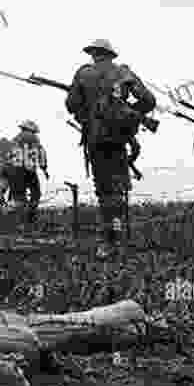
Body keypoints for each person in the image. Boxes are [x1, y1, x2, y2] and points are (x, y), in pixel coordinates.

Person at [65, 39, 157, 258]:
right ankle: (118, 235)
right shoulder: (123, 72)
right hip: (119, 137)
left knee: (105, 192)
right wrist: (128, 112)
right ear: (111, 54)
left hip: (96, 139)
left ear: (94, 54)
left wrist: (88, 114)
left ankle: (108, 242)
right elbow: (149, 101)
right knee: (118, 189)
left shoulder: (83, 73)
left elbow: (71, 105)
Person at [7, 120, 48, 229]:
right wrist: (44, 168)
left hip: (15, 171)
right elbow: (41, 153)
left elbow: (9, 156)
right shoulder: (34, 139)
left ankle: (19, 222)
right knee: (36, 194)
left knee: (19, 197)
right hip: (29, 170)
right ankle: (30, 217)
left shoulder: (15, 139)